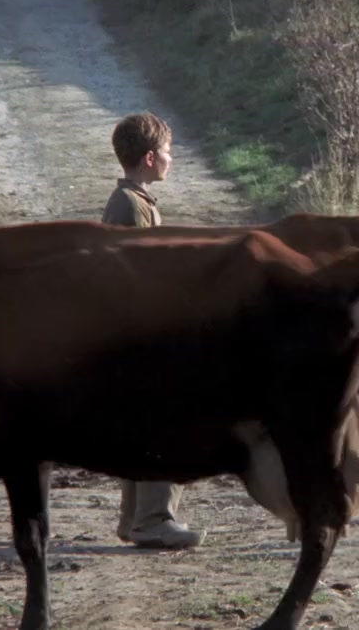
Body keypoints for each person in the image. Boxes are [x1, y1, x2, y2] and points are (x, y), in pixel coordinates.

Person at [101, 112, 204, 550]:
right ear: (149, 157)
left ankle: (135, 520)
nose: (170, 159)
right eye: (167, 151)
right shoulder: (129, 206)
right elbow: (134, 278)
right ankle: (154, 518)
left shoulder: (135, 200)